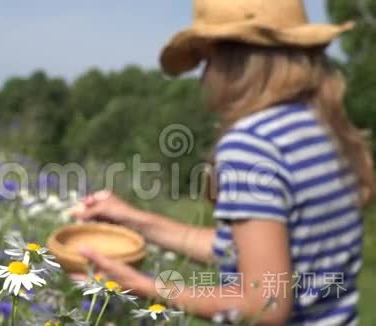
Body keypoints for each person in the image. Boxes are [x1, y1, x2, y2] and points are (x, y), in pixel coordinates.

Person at [71, 0, 374, 324]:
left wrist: (138, 284)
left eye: (207, 60)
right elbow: (246, 249)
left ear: (237, 62)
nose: (203, 79)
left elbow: (265, 305)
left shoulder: (252, 145)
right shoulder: (321, 128)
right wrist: (134, 219)